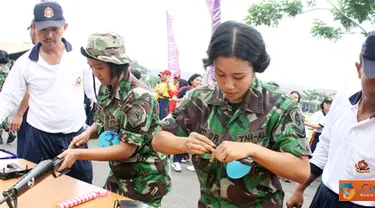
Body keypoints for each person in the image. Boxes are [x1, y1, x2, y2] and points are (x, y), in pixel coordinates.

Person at [152, 21, 311, 207]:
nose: (228, 85)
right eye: (220, 74)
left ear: (255, 69)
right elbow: (158, 140)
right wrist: (185, 143)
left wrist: (254, 150)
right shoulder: (199, 100)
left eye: (238, 77)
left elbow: (301, 170)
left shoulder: (280, 106)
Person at [57, 32, 171, 208]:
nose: (95, 73)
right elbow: (104, 121)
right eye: (91, 67)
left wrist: (78, 154)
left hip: (145, 179)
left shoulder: (140, 97)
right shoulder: (106, 88)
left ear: (116, 65)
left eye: (99, 67)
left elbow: (126, 149)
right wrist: (88, 133)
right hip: (119, 173)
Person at [0, 1, 93, 183]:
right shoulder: (24, 63)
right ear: (34, 28)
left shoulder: (80, 58)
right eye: (43, 30)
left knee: (80, 189)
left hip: (75, 138)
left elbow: (94, 94)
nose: (49, 35)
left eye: (55, 29)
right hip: (39, 139)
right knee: (35, 192)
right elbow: (7, 99)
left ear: (65, 27)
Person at [287, 30, 375, 208]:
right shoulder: (343, 98)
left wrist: (344, 191)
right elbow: (324, 148)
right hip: (325, 197)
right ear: (359, 69)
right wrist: (299, 188)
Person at [9, 20, 39, 155]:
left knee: (26, 156)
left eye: (32, 29)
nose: (30, 33)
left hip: (31, 114)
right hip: (36, 114)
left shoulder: (32, 57)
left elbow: (29, 91)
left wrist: (19, 114)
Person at [171, 74, 202, 172]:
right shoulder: (185, 89)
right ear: (191, 80)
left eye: (201, 81)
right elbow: (173, 98)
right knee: (181, 139)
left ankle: (194, 162)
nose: (199, 82)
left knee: (195, 141)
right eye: (197, 80)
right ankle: (176, 162)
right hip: (184, 118)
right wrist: (184, 99)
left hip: (197, 120)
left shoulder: (203, 92)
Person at [0, 50, 16, 144]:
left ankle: (1, 137)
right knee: (3, 116)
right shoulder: (8, 69)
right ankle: (10, 133)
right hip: (6, 96)